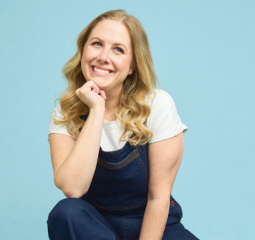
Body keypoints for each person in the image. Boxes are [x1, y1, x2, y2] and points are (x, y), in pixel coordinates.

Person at [47, 9, 199, 240]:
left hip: (155, 226)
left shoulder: (157, 104)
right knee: (66, 213)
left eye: (118, 49)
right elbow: (73, 188)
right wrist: (96, 109)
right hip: (95, 229)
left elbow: (158, 197)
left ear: (132, 66)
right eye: (97, 44)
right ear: (83, 51)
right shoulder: (66, 112)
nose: (104, 57)